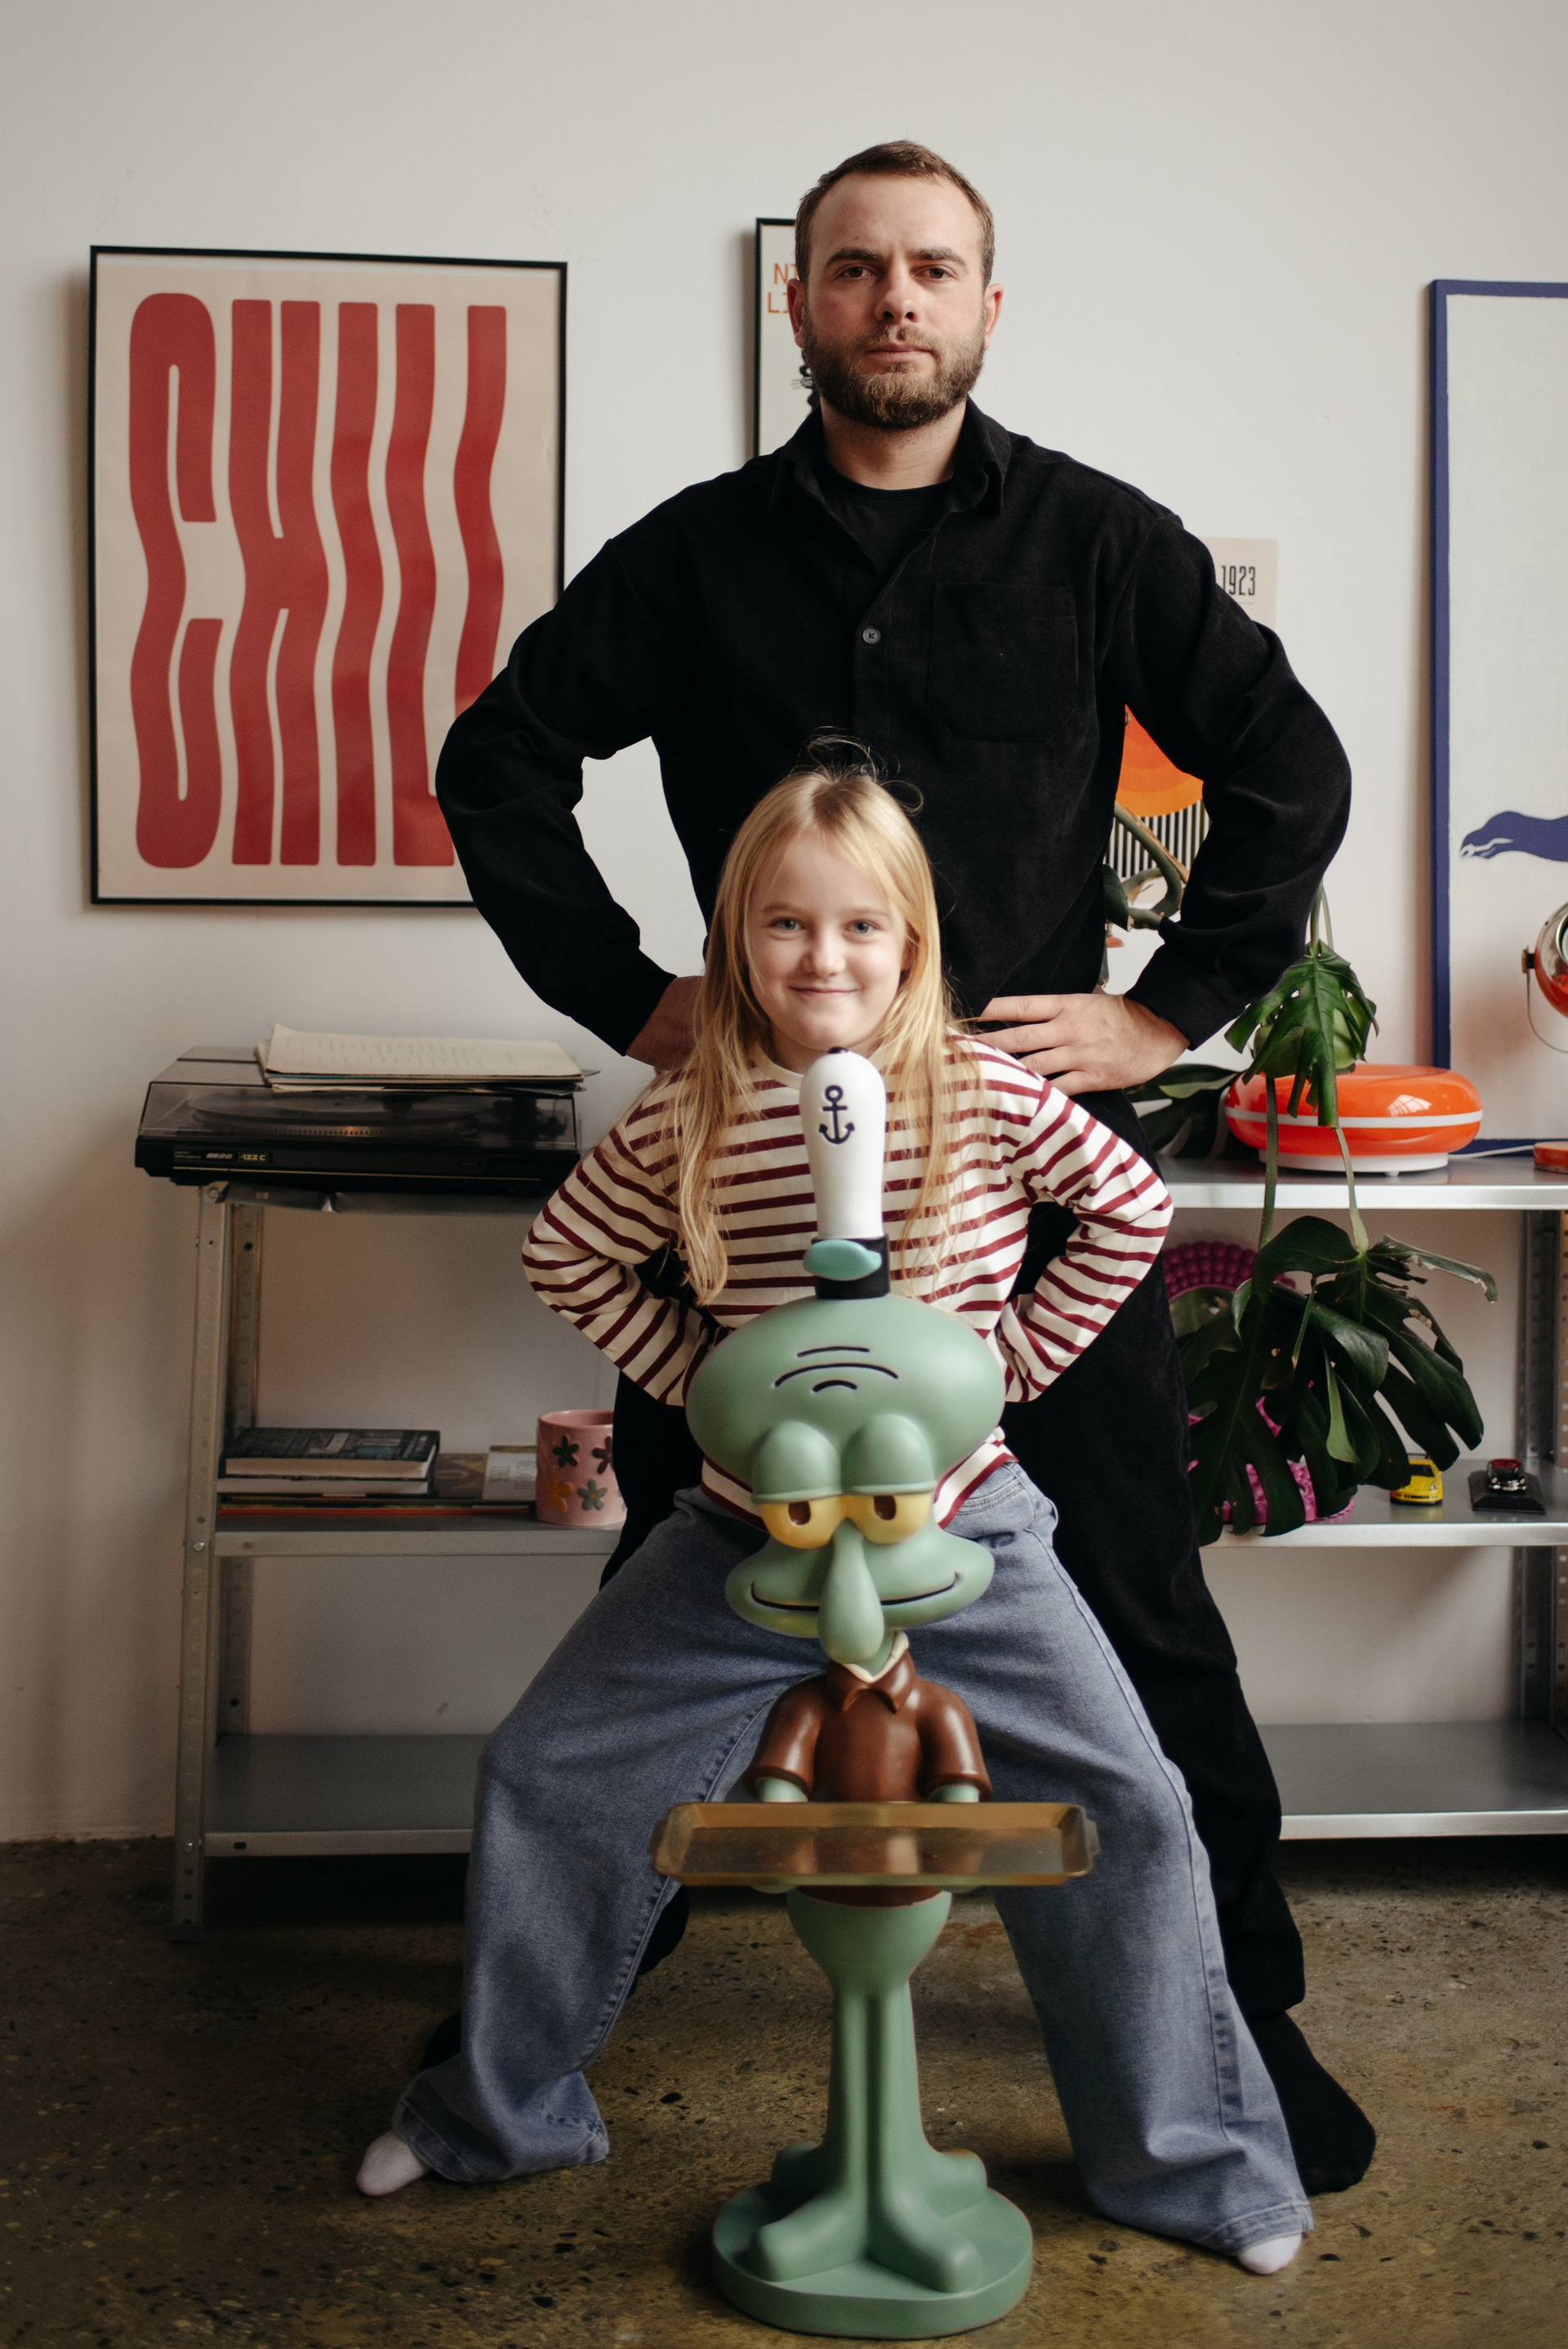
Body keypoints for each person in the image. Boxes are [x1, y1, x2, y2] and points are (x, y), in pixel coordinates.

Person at [433, 139, 1369, 2193]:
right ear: (801, 302)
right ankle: (548, 2015)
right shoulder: (692, 557)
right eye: (856, 267)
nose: (895, 300)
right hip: (741, 1211)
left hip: (1020, 1188)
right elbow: (494, 758)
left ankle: (1248, 2016)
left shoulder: (1103, 545)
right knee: (675, 1591)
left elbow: (1291, 765)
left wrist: (1164, 1014)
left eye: (934, 268)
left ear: (988, 305)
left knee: (1140, 1605)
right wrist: (634, 996)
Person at [360, 766, 1311, 2275]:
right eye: (786, 925)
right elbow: (567, 1254)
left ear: (913, 940)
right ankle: (492, 2110)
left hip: (966, 1532)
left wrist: (1007, 1371)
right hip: (745, 1533)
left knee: (1132, 1801)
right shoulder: (690, 1111)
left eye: (862, 925)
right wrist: (703, 1384)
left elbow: (1130, 1206)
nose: (824, 957)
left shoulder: (982, 1088)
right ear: (735, 940)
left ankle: (1197, 2166)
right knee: (545, 1769)